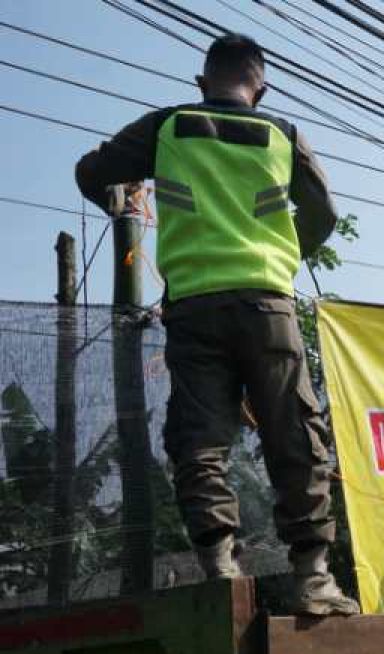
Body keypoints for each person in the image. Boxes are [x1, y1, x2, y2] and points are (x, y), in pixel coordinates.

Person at [75, 33, 359, 615]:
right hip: (269, 306)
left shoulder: (169, 126)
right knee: (294, 433)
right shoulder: (283, 134)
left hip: (194, 308)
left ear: (201, 82)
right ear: (261, 87)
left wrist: (123, 202)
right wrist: (282, 249)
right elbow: (325, 213)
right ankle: (313, 579)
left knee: (200, 440)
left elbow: (91, 170)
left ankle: (220, 570)